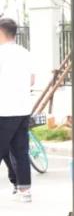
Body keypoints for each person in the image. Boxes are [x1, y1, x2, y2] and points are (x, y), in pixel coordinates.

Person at [0, 17, 34, 202]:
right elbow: (32, 80)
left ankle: (20, 187)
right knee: (21, 151)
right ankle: (25, 191)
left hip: (4, 110)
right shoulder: (25, 52)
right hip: (23, 109)